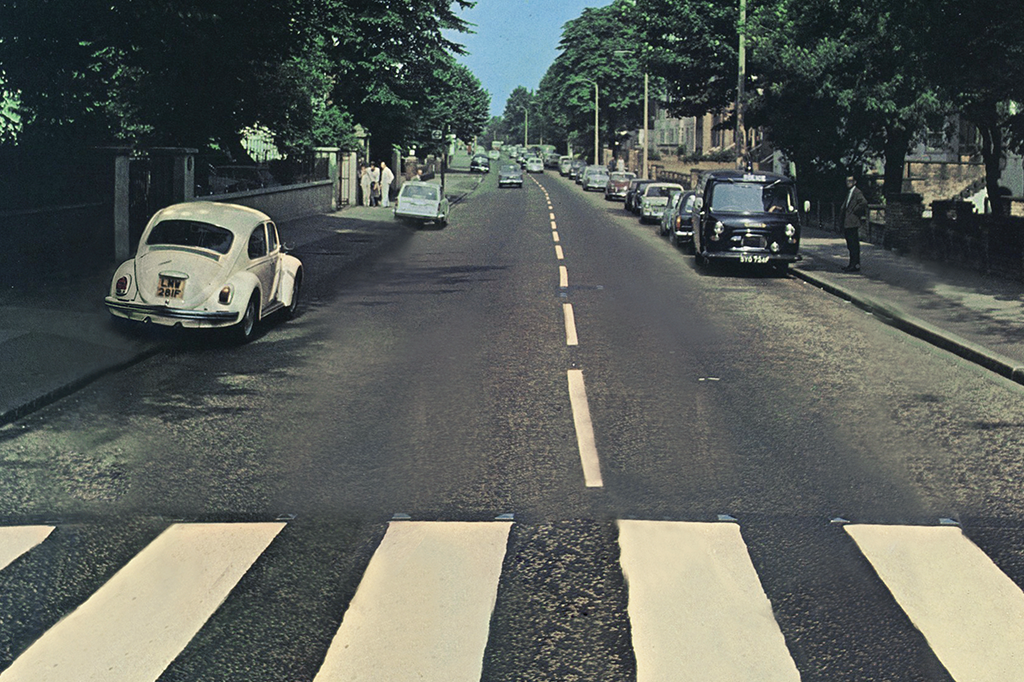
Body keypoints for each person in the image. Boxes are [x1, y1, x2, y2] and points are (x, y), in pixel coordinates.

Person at [840, 175, 867, 272]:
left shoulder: (857, 192)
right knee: (850, 245)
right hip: (848, 222)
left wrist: (854, 212)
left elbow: (863, 203)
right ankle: (852, 264)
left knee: (853, 245)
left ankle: (855, 265)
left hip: (853, 222)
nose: (848, 183)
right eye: (847, 181)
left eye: (850, 181)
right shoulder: (850, 192)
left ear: (854, 182)